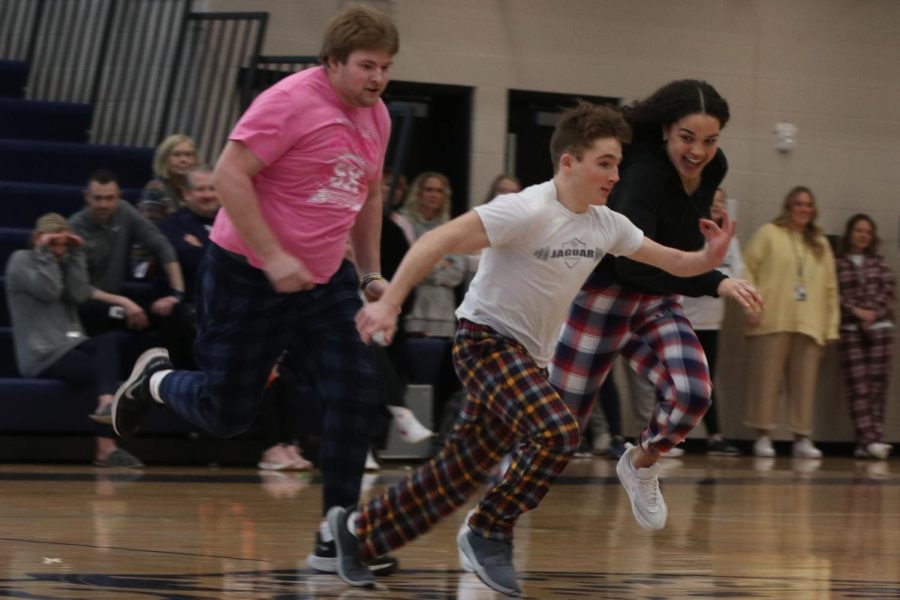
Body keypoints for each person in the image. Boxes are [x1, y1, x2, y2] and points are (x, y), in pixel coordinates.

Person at [335, 101, 753, 594]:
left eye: (619, 163)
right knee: (558, 431)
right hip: (484, 341)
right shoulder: (526, 209)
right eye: (604, 163)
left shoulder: (606, 223)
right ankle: (489, 530)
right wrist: (388, 302)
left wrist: (709, 258)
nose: (616, 174)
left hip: (528, 358)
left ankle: (356, 533)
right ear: (569, 162)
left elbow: (671, 263)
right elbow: (437, 241)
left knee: (458, 472)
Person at [109, 4, 400, 577]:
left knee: (355, 390)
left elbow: (368, 196)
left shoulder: (378, 116)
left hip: (324, 283)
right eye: (368, 66)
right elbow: (228, 176)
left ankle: (335, 535)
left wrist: (369, 275)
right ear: (334, 61)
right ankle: (159, 381)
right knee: (228, 413)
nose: (378, 78)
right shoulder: (291, 102)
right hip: (247, 273)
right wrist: (273, 257)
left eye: (387, 67)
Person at [549, 80, 763, 531]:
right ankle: (490, 520)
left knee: (693, 394)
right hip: (603, 295)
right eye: (687, 137)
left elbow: (682, 242)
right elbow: (631, 265)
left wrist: (704, 266)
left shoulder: (713, 166)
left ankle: (640, 462)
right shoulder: (643, 172)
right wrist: (713, 279)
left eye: (709, 140)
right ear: (666, 130)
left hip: (655, 296)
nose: (698, 150)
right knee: (556, 436)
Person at [4, 213, 143, 467]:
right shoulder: (20, 261)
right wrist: (45, 253)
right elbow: (50, 290)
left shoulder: (65, 260)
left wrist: (76, 254)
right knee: (102, 374)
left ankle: (106, 404)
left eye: (62, 244)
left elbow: (79, 294)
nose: (58, 250)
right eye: (53, 243)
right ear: (37, 239)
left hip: (70, 342)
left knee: (109, 342)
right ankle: (106, 447)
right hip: (42, 353)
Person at [743, 186, 839, 458]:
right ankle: (763, 436)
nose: (803, 209)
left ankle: (801, 439)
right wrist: (750, 306)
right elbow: (748, 270)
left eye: (808, 204)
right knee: (766, 382)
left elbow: (831, 287)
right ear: (788, 206)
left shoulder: (819, 242)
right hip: (771, 319)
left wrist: (830, 326)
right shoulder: (768, 233)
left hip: (810, 323)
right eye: (798, 203)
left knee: (805, 385)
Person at [69, 168, 192, 367]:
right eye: (97, 198)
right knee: (96, 311)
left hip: (115, 305)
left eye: (110, 198)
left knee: (175, 313)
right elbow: (81, 290)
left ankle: (172, 380)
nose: (103, 204)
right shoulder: (75, 228)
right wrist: (125, 303)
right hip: (85, 308)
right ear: (86, 196)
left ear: (119, 197)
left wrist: (177, 294)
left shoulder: (124, 211)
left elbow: (162, 246)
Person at [680, 187, 742, 456]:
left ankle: (715, 436)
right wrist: (710, 274)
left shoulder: (730, 239)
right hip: (685, 318)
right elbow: (685, 270)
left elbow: (734, 273)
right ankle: (670, 436)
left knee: (706, 382)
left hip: (712, 321)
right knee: (679, 380)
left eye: (721, 202)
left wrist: (709, 273)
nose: (717, 205)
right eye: (713, 200)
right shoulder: (689, 231)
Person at [834, 214, 894, 460]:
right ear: (850, 234)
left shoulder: (880, 263)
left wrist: (873, 314)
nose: (863, 235)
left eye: (867, 232)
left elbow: (888, 292)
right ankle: (870, 440)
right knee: (859, 386)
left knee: (877, 387)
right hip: (850, 329)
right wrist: (856, 312)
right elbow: (833, 294)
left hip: (880, 328)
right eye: (859, 230)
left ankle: (868, 440)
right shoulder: (838, 263)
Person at [399, 171, 466, 337]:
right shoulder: (403, 223)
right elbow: (407, 267)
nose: (434, 195)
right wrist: (439, 263)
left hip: (442, 313)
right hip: (412, 309)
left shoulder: (451, 227)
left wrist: (426, 267)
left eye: (439, 191)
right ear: (419, 192)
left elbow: (457, 273)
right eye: (429, 190)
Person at [157, 164, 220, 304]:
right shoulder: (170, 225)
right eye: (200, 189)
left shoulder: (233, 223)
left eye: (213, 188)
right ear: (185, 194)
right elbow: (195, 264)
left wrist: (201, 247)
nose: (208, 195)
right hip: (190, 304)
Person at [138, 134, 199, 222]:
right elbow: (149, 228)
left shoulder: (201, 188)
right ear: (164, 159)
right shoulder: (155, 188)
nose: (183, 160)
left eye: (189, 155)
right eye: (176, 155)